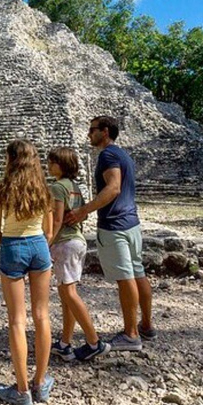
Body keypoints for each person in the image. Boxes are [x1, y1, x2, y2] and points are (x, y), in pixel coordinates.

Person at [65, 116, 155, 351]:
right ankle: (145, 325)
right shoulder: (124, 154)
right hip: (132, 222)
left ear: (105, 131)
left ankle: (131, 334)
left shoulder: (108, 155)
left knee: (126, 278)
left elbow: (113, 187)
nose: (88, 134)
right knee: (137, 273)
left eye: (92, 130)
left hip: (115, 225)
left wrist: (84, 210)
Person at [0, 139, 54, 405]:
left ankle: (21, 389)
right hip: (39, 245)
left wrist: (10, 242)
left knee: (17, 320)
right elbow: (49, 231)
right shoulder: (44, 188)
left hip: (13, 245)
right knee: (42, 315)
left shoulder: (3, 189)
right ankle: (40, 382)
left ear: (11, 160)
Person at [47, 147, 110, 361]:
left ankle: (94, 342)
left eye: (52, 162)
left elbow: (55, 220)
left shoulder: (57, 188)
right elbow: (80, 215)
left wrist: (46, 243)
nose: (49, 165)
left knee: (70, 293)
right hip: (77, 241)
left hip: (64, 243)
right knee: (66, 295)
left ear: (62, 165)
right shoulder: (75, 187)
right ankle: (65, 343)